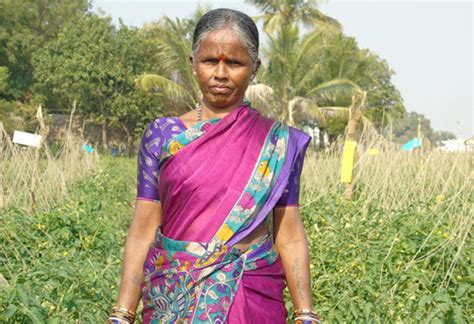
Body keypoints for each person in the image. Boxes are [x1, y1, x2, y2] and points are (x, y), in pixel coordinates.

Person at [109, 8, 319, 324]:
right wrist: (123, 314)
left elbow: (288, 233)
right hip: (175, 300)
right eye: (210, 61)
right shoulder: (164, 136)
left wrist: (305, 313)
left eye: (234, 63)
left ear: (255, 67)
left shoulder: (277, 143)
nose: (221, 73)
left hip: (250, 296)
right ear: (193, 64)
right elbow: (143, 230)